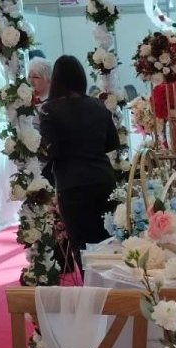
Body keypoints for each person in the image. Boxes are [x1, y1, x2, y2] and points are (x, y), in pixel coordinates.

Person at [38, 56, 120, 269]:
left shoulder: (49, 110)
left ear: (56, 79)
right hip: (104, 180)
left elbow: (49, 151)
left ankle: (91, 289)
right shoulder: (98, 105)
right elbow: (112, 142)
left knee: (83, 249)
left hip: (73, 185)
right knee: (110, 244)